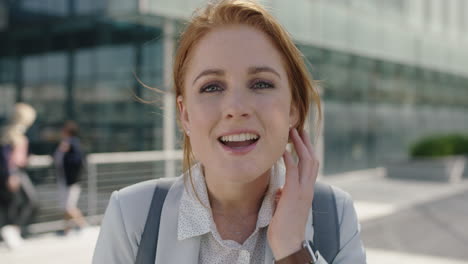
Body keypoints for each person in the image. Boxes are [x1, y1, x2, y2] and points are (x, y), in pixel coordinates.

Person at [93, 0, 366, 263]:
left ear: (293, 108)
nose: (236, 108)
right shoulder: (132, 217)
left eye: (260, 84)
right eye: (212, 87)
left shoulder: (334, 215)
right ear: (185, 114)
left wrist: (292, 250)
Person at [0, 103, 38, 249]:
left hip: (18, 171)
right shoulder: (9, 133)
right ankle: (11, 230)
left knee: (20, 202)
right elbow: (5, 156)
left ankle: (13, 230)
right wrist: (10, 174)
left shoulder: (19, 133)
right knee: (22, 202)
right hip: (13, 173)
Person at [54, 120, 87, 234]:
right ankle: (66, 230)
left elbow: (77, 161)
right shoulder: (65, 143)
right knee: (66, 205)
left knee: (69, 206)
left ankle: (84, 225)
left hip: (71, 180)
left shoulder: (73, 143)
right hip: (64, 179)